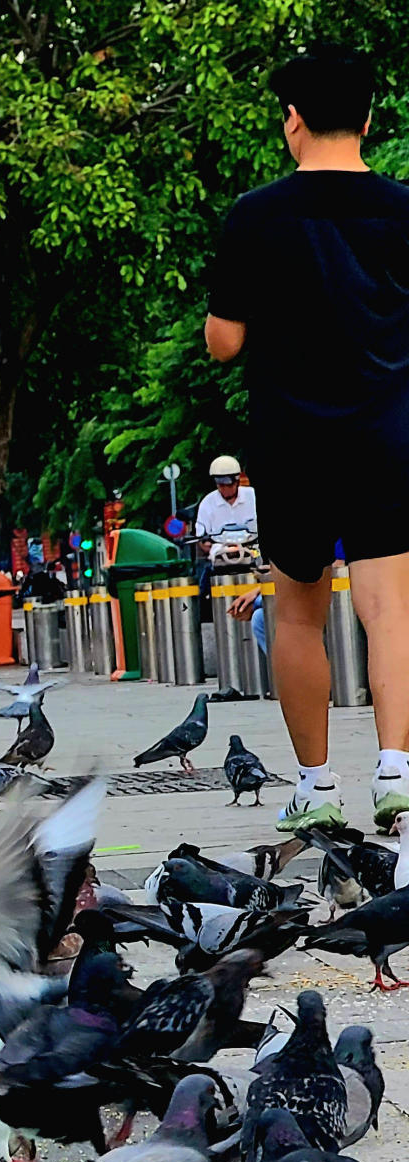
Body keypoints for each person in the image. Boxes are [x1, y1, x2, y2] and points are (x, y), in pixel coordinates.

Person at [207, 44, 409, 831]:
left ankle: (316, 787)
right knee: (389, 610)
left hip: (292, 441)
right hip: (387, 434)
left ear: (291, 120)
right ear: (367, 119)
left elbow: (224, 342)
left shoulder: (256, 215)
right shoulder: (402, 209)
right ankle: (395, 771)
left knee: (297, 611)